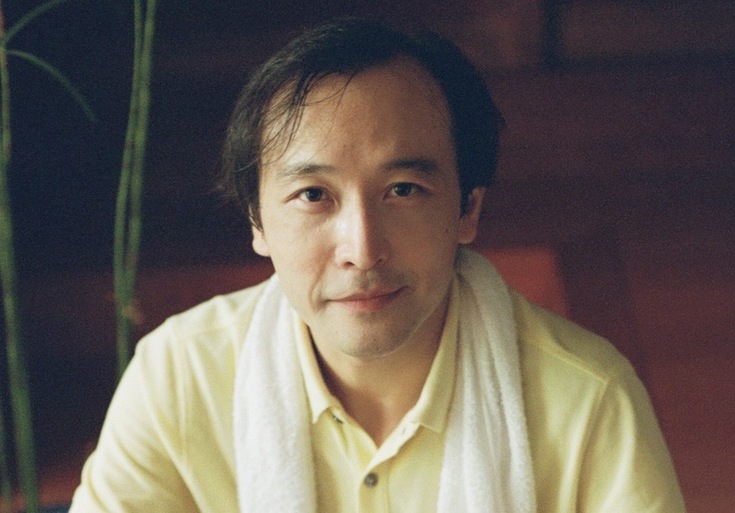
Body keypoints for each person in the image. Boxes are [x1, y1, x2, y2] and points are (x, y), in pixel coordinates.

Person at [71, 18, 687, 513]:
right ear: (256, 220)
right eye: (314, 195)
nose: (362, 250)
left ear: (468, 208)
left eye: (403, 190)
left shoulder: (589, 401)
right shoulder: (179, 378)